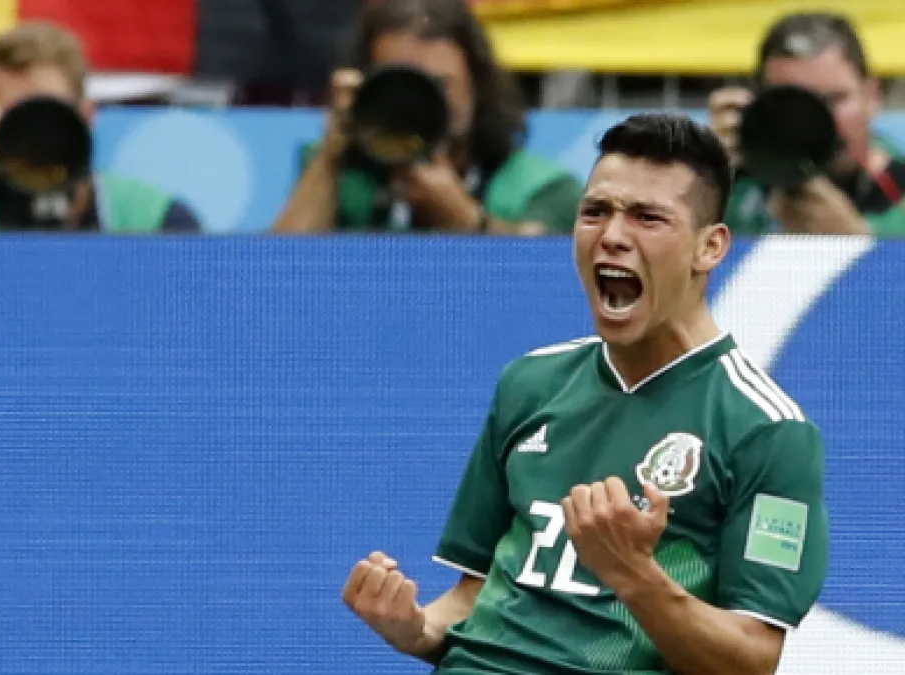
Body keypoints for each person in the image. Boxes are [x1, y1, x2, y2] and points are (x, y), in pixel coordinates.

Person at [342, 114, 829, 674]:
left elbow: (751, 661)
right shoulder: (530, 383)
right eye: (595, 212)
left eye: (648, 217)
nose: (612, 236)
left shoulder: (768, 430)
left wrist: (633, 574)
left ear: (710, 247)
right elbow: (472, 597)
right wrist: (416, 627)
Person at [272, 0, 581, 235]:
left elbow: (547, 280)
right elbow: (276, 276)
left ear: (477, 85)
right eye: (403, 85)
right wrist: (331, 156)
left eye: (439, 85)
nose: (418, 104)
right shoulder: (338, 177)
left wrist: (468, 221)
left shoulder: (542, 189)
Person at [0, 21, 200, 233]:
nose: (34, 137)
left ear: (87, 116)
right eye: (13, 119)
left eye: (46, 115)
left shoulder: (155, 223)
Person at [710, 12, 905, 235]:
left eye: (831, 99)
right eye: (792, 104)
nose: (813, 120)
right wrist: (705, 178)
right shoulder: (736, 185)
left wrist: (858, 241)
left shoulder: (897, 186)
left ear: (872, 96)